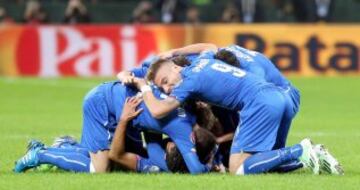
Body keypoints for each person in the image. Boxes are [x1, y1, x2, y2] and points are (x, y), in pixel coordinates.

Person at [126, 43, 343, 175]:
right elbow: (210, 46)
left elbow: (158, 111)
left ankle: (302, 151)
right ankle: (317, 158)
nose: (166, 87)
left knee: (238, 168)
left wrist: (144, 87)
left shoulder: (188, 82)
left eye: (165, 80)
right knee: (267, 162)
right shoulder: (203, 60)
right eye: (162, 85)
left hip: (261, 102)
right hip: (277, 95)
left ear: (176, 66)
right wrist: (175, 51)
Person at [14, 80, 216, 174]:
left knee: (108, 161)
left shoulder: (162, 156)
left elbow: (118, 154)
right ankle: (40, 155)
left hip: (118, 106)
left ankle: (65, 146)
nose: (171, 142)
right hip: (107, 105)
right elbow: (119, 153)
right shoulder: (163, 156)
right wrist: (124, 120)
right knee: (100, 169)